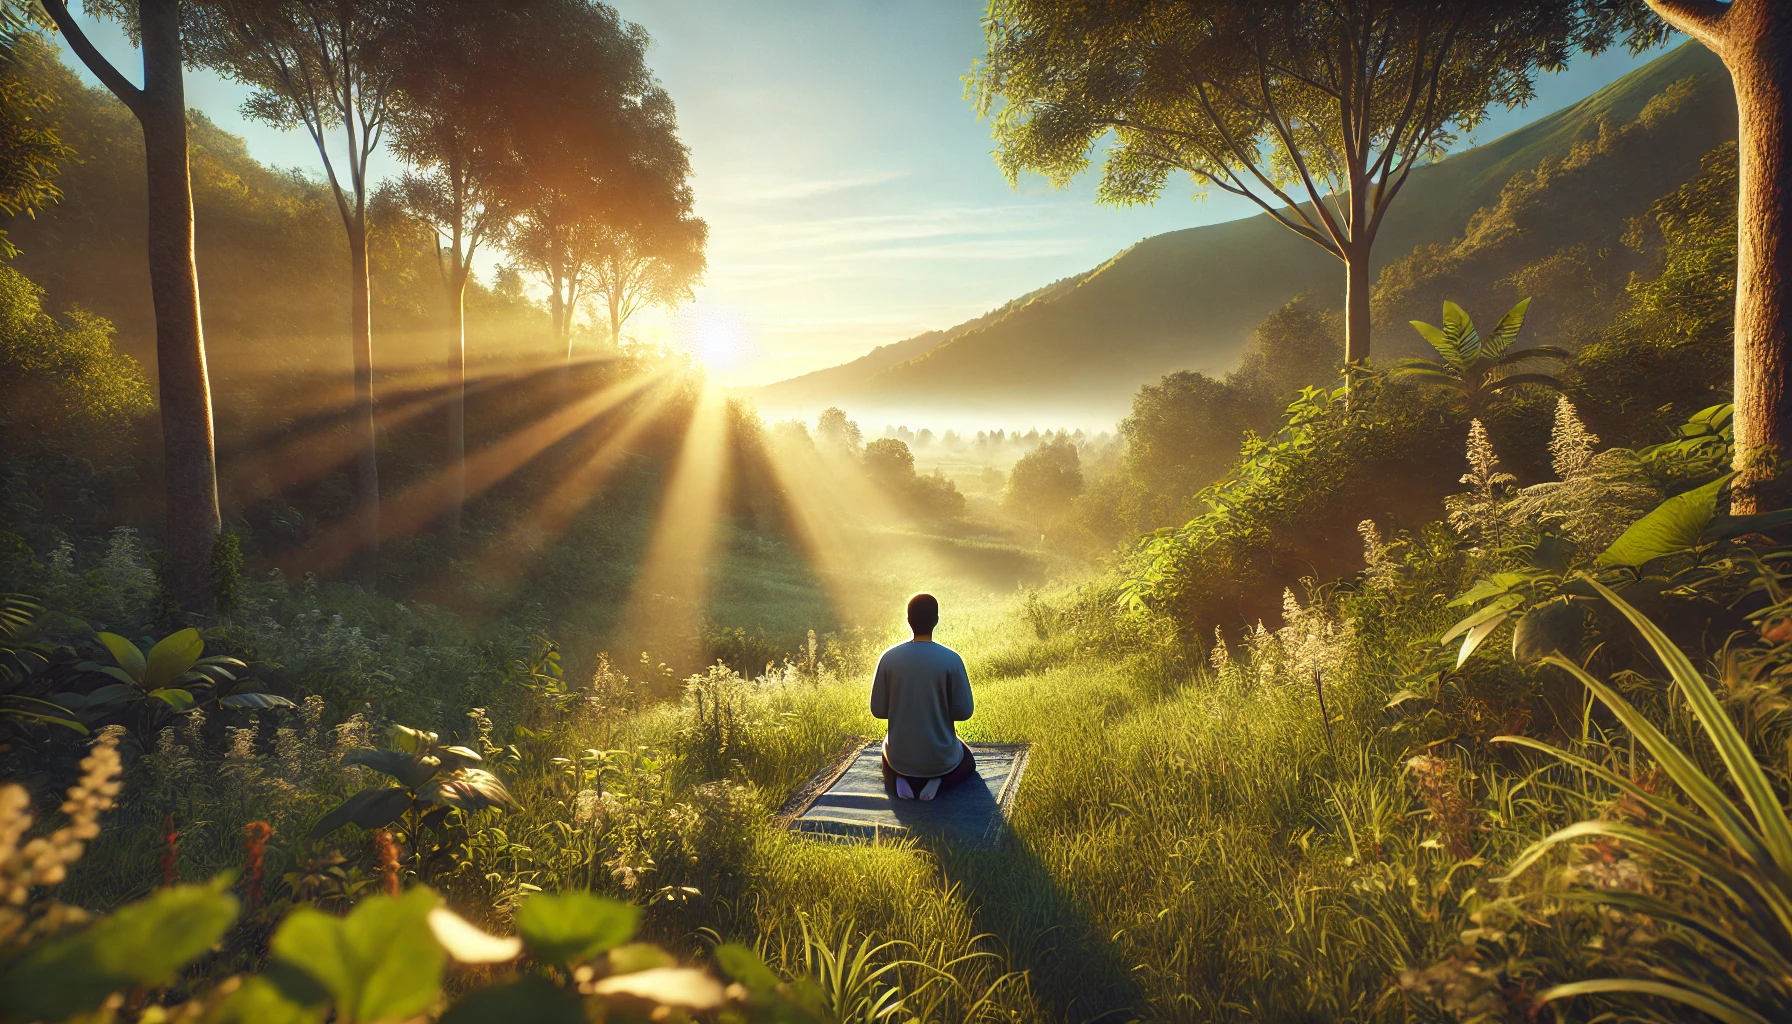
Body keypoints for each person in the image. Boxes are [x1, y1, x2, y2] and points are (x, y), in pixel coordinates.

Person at [870, 593, 976, 801]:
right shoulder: (951, 659)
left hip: (901, 758)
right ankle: (938, 781)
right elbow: (964, 712)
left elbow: (878, 710)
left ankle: (898, 778)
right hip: (940, 759)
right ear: (936, 620)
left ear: (908, 620)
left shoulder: (889, 658)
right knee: (967, 760)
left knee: (887, 748)